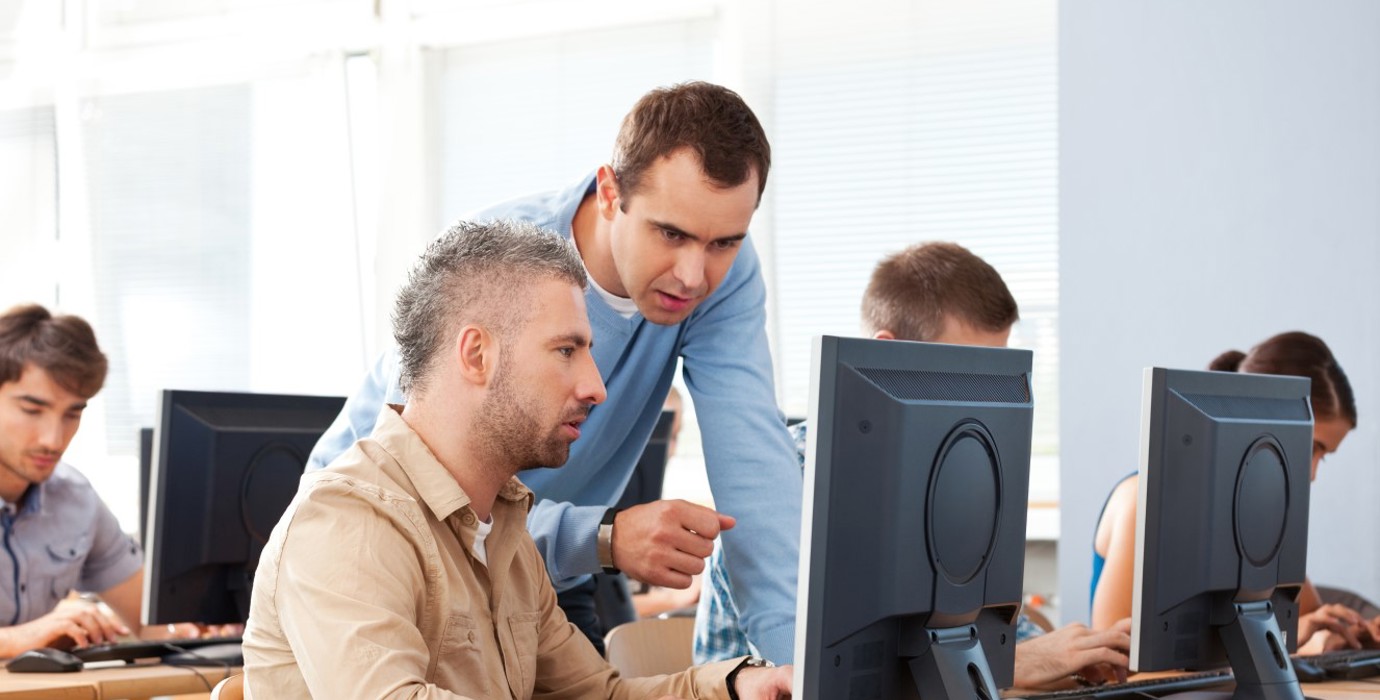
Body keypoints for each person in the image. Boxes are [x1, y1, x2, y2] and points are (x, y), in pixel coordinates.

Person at [307, 81, 801, 660]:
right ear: (611, 193)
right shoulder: (494, 262)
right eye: (671, 234)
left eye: (724, 242)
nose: (694, 275)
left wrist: (800, 663)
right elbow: (429, 507)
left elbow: (755, 466)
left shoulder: (726, 276)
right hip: (397, 560)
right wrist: (604, 537)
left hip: (541, 574)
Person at [242, 220, 793, 699]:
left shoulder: (505, 530)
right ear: (477, 355)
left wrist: (735, 687)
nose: (597, 387)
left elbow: (600, 695)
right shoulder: (346, 522)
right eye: (566, 351)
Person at [694, 242, 1132, 688]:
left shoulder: (959, 477)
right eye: (964, 374)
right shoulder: (786, 482)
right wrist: (1013, 668)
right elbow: (812, 679)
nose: (982, 407)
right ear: (889, 353)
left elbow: (997, 635)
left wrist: (1069, 664)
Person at [1090, 331, 1378, 653]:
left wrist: (1349, 636)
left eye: (1323, 456)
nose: (1311, 474)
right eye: (1309, 448)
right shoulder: (1141, 501)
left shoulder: (1261, 514)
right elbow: (1110, 665)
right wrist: (1278, 648)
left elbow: (1306, 625)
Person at [0, 304, 149, 656]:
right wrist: (13, 640)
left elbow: (149, 619)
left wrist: (206, 625)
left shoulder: (76, 499)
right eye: (32, 410)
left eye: (72, 414)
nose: (54, 439)